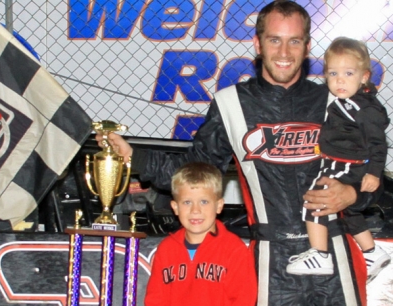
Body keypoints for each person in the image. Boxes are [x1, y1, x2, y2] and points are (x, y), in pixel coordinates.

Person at [97, 1, 377, 304]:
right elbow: (192, 174)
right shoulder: (231, 104)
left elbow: (372, 174)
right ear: (257, 44)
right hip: (272, 263)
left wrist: (352, 196)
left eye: (293, 41)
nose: (284, 53)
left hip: (334, 255)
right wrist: (132, 155)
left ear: (307, 47)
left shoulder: (336, 101)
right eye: (274, 40)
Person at [286, 37, 391, 281]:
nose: (340, 80)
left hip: (347, 166)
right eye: (333, 73)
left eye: (348, 73)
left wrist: (374, 172)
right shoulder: (345, 101)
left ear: (364, 76)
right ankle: (373, 252)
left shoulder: (364, 108)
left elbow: (378, 142)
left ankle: (320, 255)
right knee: (346, 210)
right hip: (336, 162)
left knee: (316, 201)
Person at [144, 162, 257, 305]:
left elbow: (244, 300)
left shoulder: (234, 250)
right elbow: (155, 299)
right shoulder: (166, 250)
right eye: (187, 202)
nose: (195, 210)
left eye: (204, 202)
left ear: (219, 206)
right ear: (175, 207)